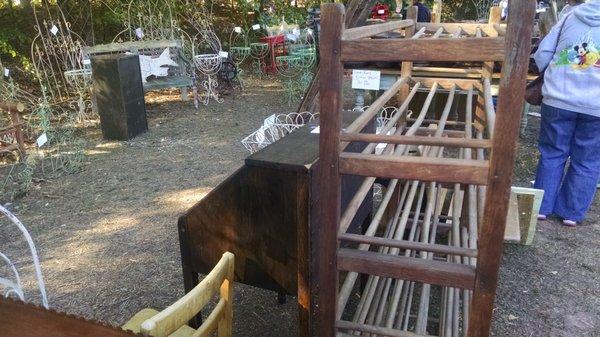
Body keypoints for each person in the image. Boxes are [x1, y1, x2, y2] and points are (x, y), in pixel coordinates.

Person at [533, 0, 600, 227]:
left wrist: (557, 74)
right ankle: (571, 213)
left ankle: (541, 206)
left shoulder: (569, 17)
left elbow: (542, 54)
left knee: (552, 152)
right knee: (588, 160)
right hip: (597, 106)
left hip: (558, 98)